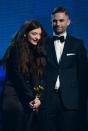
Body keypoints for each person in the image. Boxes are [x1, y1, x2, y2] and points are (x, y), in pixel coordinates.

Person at [43, 6, 88, 131]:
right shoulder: (43, 44)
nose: (58, 24)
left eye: (61, 20)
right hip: (48, 99)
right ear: (51, 22)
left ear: (68, 22)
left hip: (70, 101)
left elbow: (83, 75)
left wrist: (82, 102)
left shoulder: (77, 44)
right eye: (55, 21)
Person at [2, 20, 47, 131]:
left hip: (29, 99)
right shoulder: (14, 50)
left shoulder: (37, 53)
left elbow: (37, 80)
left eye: (39, 34)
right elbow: (18, 78)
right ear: (25, 34)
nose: (37, 37)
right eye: (34, 34)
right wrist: (31, 97)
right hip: (14, 98)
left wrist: (38, 98)